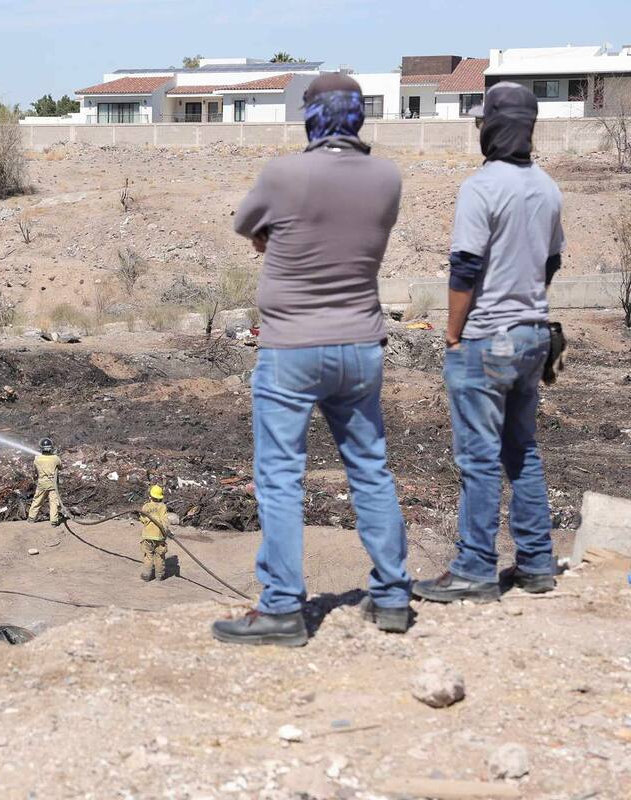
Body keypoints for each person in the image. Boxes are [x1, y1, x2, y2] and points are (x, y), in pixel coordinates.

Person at [211, 74, 412, 648]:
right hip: (361, 346)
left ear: (311, 117)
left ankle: (281, 608)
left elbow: (249, 229)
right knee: (370, 469)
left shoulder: (283, 174)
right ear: (357, 118)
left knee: (280, 477)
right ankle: (393, 594)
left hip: (291, 349)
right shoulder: (387, 177)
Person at [413, 83, 563, 604]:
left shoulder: (480, 188)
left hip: (486, 340)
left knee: (477, 458)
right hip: (534, 335)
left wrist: (453, 334)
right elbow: (550, 263)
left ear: (492, 128)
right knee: (521, 450)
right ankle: (537, 563)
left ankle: (475, 569)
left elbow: (465, 268)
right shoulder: (547, 187)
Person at [28, 437, 63, 526]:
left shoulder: (37, 459)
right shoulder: (56, 458)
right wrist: (55, 456)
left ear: (41, 448)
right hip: (53, 484)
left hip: (42, 483)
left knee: (37, 500)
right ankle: (54, 521)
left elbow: (35, 470)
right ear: (51, 448)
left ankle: (31, 518)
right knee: (54, 502)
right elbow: (60, 467)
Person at [139, 485, 170, 582]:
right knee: (160, 557)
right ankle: (159, 576)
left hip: (148, 536)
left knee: (148, 556)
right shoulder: (163, 507)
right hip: (160, 537)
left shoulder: (146, 506)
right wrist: (166, 531)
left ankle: (146, 575)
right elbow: (165, 521)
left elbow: (143, 519)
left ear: (150, 496)